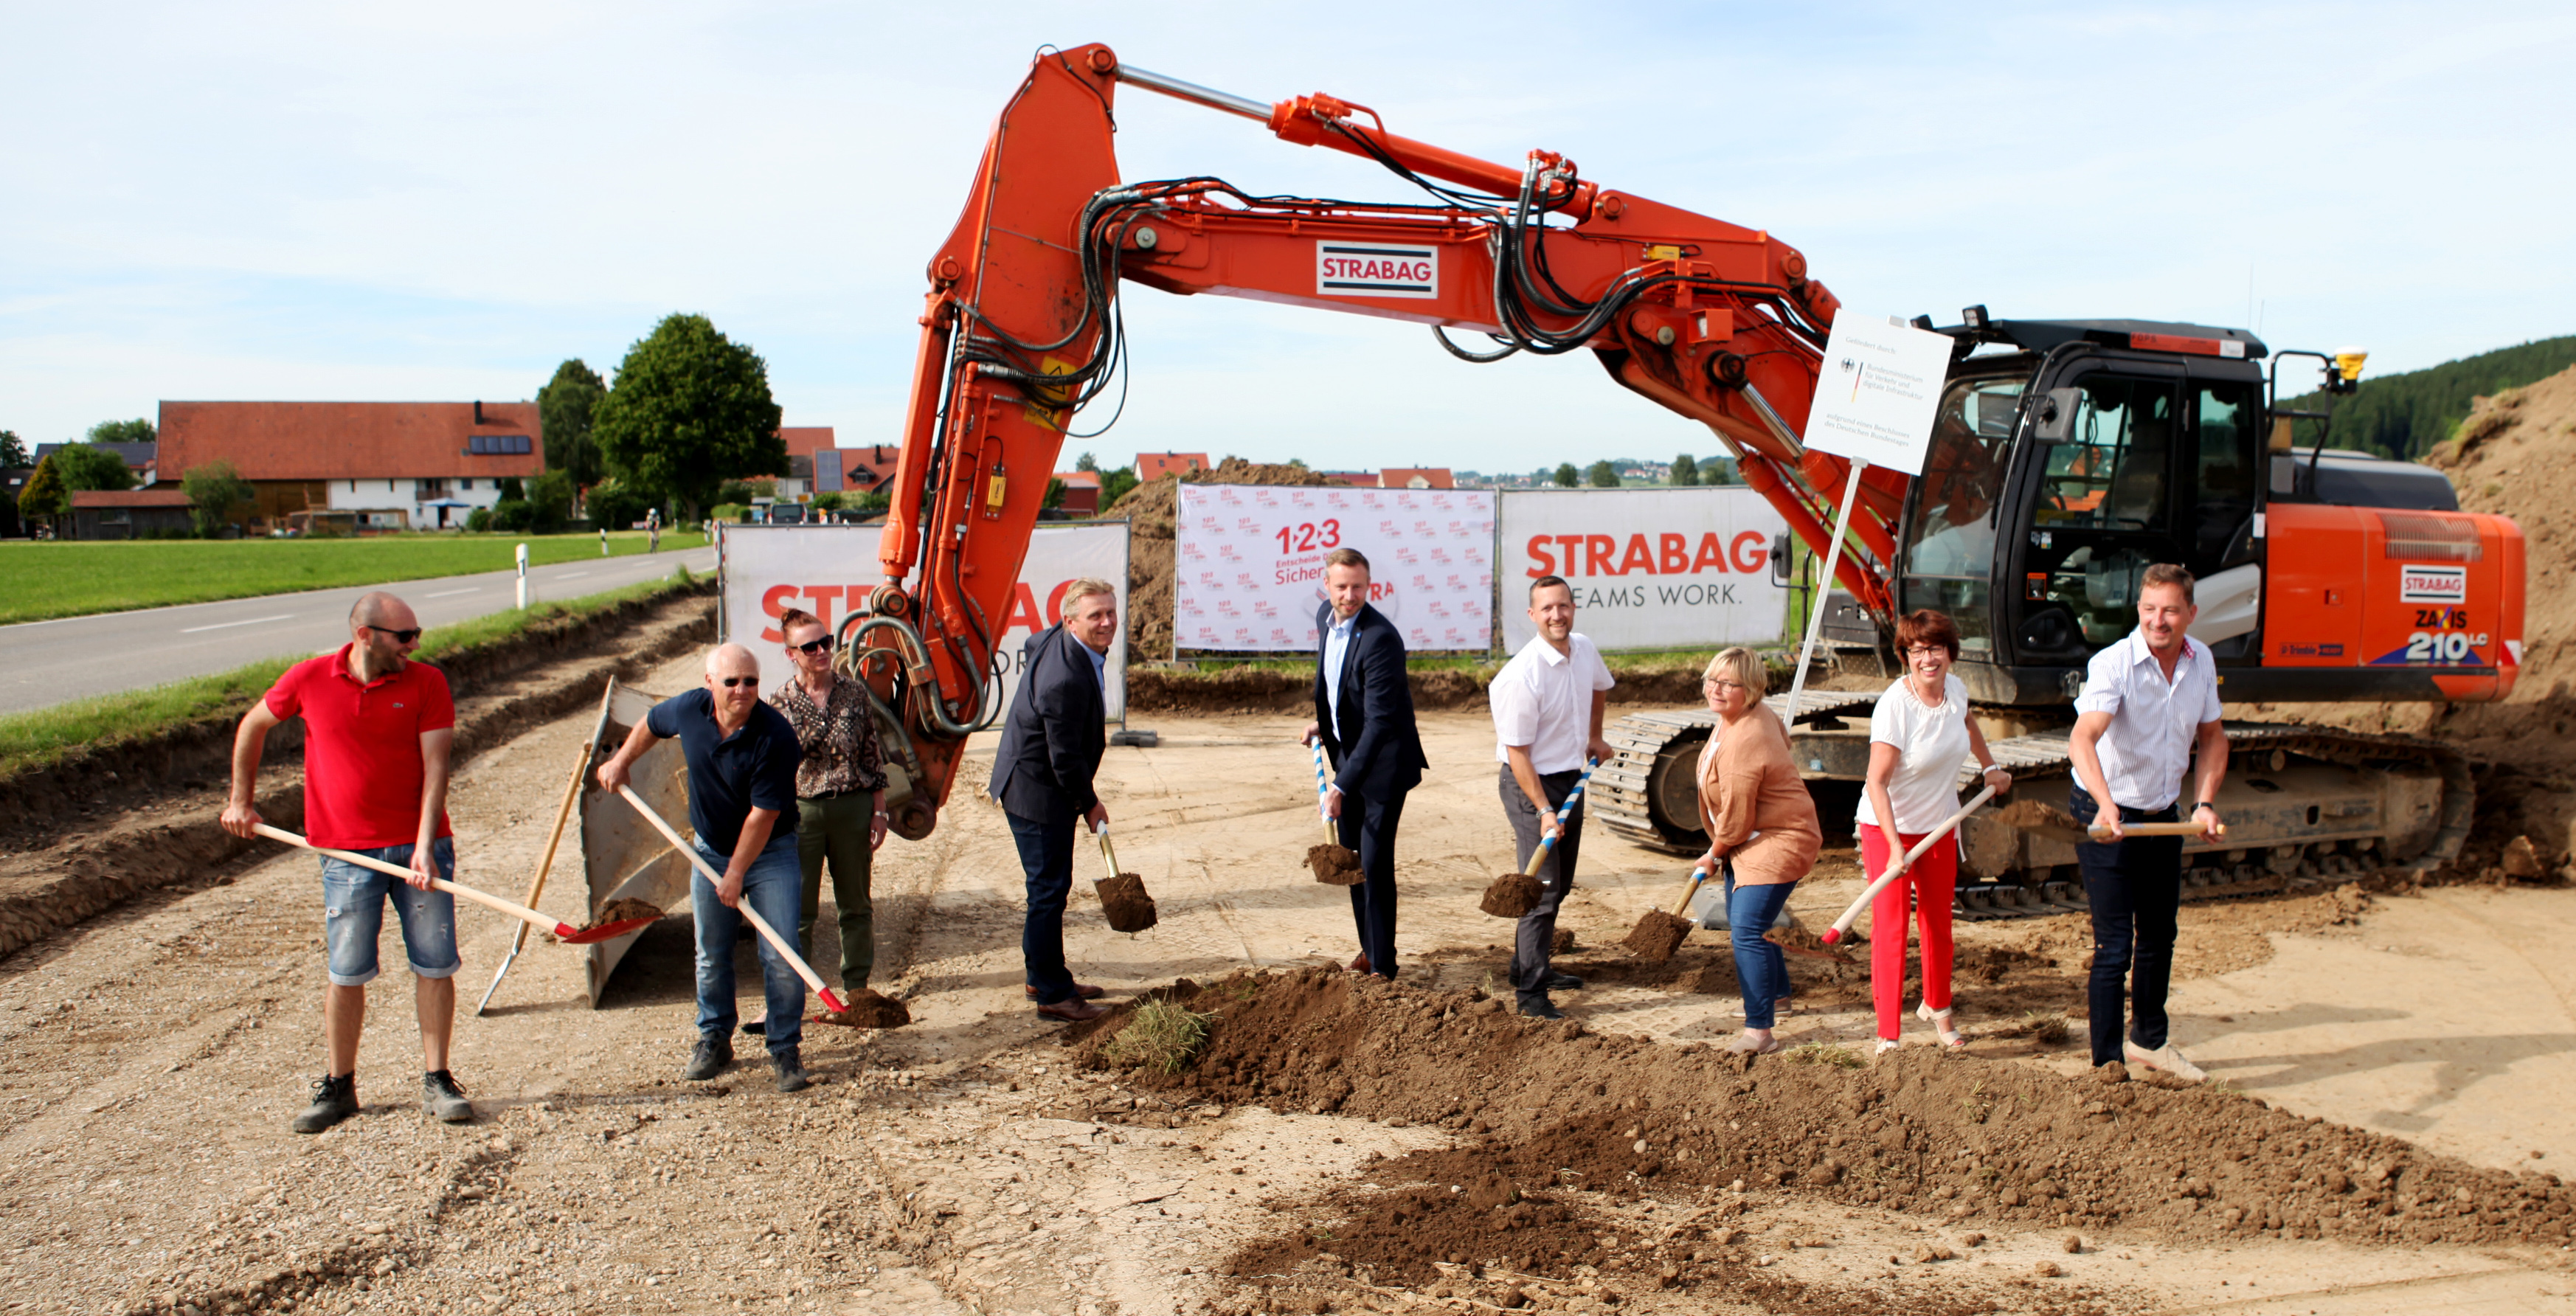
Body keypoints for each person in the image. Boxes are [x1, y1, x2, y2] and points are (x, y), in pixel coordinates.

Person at [220, 591, 475, 1133]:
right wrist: (241, 800)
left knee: (435, 962)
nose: (414, 645)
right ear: (365, 635)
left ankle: (438, 1079)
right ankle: (339, 1085)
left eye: (416, 635)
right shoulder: (309, 679)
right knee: (347, 970)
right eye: (403, 636)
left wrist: (426, 846)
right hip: (343, 853)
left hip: (418, 849)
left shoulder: (427, 683)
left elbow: (436, 771)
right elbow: (252, 726)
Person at [597, 643, 814, 1092]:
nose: (742, 690)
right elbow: (651, 724)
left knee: (779, 954)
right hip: (710, 849)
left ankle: (785, 1047)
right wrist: (621, 761)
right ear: (709, 683)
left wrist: (735, 874)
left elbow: (763, 816)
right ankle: (714, 1038)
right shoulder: (690, 709)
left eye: (750, 681)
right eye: (731, 681)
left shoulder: (775, 737)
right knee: (711, 953)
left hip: (770, 852)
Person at [2068, 563, 2227, 1082]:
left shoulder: (2200, 660)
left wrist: (2203, 803)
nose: (2159, 620)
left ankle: (2149, 1042)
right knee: (2114, 946)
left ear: (2190, 614)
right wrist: (2106, 804)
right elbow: (2082, 739)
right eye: (2150, 609)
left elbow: (2213, 737)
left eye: (2171, 610)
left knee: (2160, 933)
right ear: (2139, 609)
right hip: (2107, 811)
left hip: (2163, 813)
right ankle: (2108, 1066)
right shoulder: (2113, 664)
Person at [1858, 610, 2014, 1055]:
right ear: (1905, 656)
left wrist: (1990, 767)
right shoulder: (1895, 706)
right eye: (1917, 650)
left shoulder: (1956, 690)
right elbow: (1876, 783)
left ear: (1950, 653)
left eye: (1936, 649)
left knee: (1938, 922)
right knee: (1891, 928)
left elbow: (1965, 723)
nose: (1928, 658)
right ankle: (1888, 1033)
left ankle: (1938, 1007)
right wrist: (1893, 848)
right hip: (1887, 827)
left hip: (1941, 824)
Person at [990, 578, 1121, 1022]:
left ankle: (1040, 973)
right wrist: (1090, 804)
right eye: (1094, 616)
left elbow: (1032, 639)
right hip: (1036, 792)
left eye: (1110, 612)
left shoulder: (1054, 639)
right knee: (1048, 891)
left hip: (1035, 780)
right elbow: (1063, 758)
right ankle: (1052, 993)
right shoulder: (1064, 678)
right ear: (1070, 621)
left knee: (1045, 888)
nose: (1106, 623)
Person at [1489, 574, 1616, 1019]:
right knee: (1542, 890)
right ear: (1532, 615)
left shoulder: (1583, 648)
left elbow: (1599, 686)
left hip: (1569, 779)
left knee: (1557, 886)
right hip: (1530, 787)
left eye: (1563, 606)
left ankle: (1526, 963)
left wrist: (1595, 737)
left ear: (1572, 607)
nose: (1556, 615)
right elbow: (1518, 753)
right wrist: (1543, 811)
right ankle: (1531, 995)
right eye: (1547, 609)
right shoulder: (1521, 676)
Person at [1303, 548, 1429, 981]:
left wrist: (1340, 785)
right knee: (1353, 861)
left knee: (1374, 863)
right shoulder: (1326, 617)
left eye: (1358, 587)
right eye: (1341, 587)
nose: (1350, 595)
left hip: (1383, 769)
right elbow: (1338, 684)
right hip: (1348, 757)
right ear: (1327, 586)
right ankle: (1369, 950)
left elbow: (1379, 722)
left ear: (1369, 585)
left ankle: (1383, 966)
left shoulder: (1380, 638)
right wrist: (1324, 725)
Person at [1694, 647, 1820, 1055]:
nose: (1716, 689)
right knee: (1746, 919)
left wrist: (1713, 854)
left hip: (1779, 838)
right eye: (1712, 679)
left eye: (1728, 684)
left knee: (1747, 928)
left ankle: (1760, 1032)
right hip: (1752, 838)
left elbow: (1737, 814)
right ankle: (1778, 994)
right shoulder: (1737, 718)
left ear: (1751, 690)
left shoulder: (1747, 735)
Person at [767, 607, 889, 1001]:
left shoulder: (853, 692)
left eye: (826, 642)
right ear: (791, 653)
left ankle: (857, 988)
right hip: (803, 814)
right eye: (811, 646)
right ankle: (794, 992)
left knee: (855, 904)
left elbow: (872, 753)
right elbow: (772, 769)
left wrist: (880, 809)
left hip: (852, 808)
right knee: (798, 911)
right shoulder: (778, 704)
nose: (822, 651)